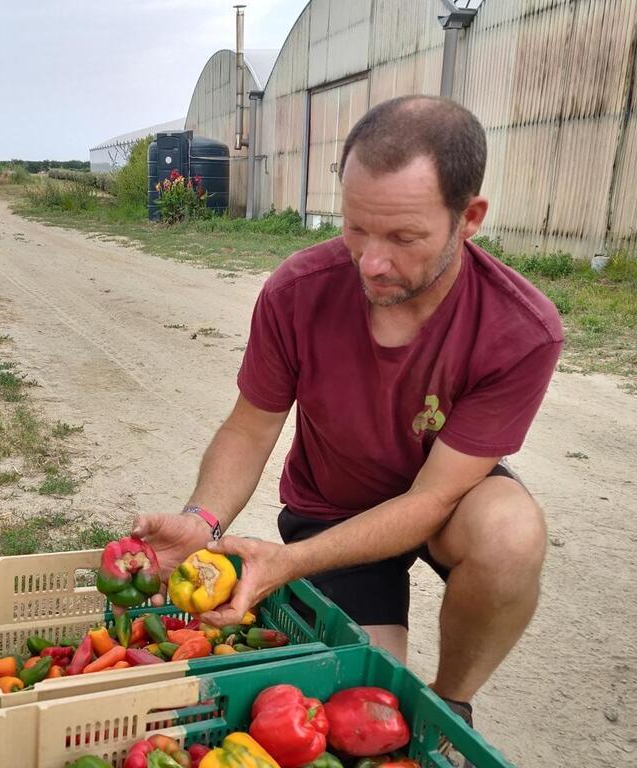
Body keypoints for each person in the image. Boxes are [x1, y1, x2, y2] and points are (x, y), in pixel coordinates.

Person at [131, 95, 563, 739]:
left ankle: (448, 709)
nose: (371, 261)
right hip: (333, 513)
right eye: (356, 227)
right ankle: (405, 700)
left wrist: (287, 564)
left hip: (441, 507)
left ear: (469, 218)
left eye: (403, 237)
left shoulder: (519, 329)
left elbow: (434, 496)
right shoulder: (298, 290)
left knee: (511, 536)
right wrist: (202, 520)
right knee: (355, 708)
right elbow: (251, 426)